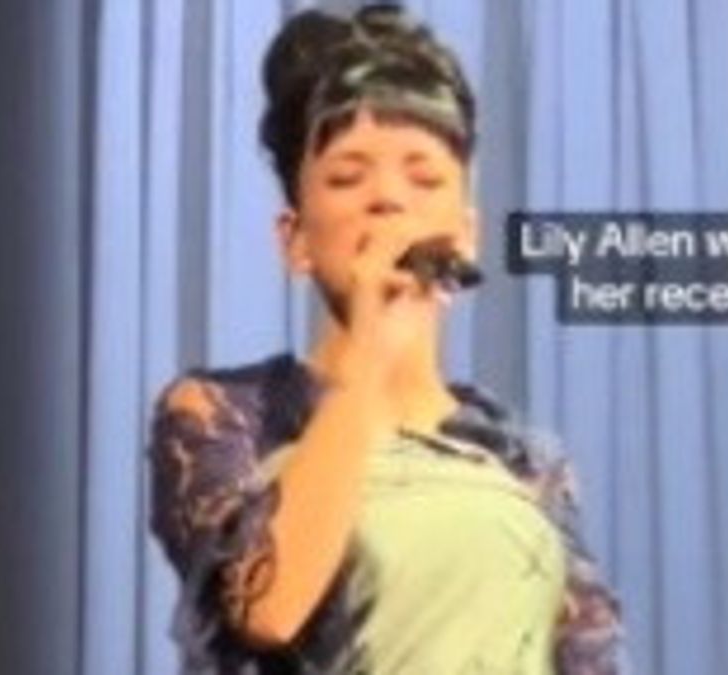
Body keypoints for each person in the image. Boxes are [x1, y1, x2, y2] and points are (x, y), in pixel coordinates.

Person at [147, 4, 626, 673]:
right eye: (348, 177)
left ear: (466, 233)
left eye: (423, 177)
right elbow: (268, 608)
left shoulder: (520, 455)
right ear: (295, 238)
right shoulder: (227, 414)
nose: (388, 200)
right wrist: (370, 351)